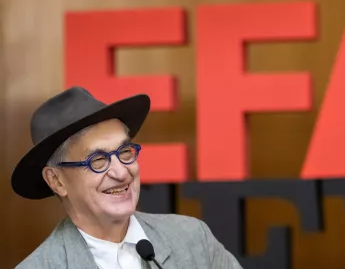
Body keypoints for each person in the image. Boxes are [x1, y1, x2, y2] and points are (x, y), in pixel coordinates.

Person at [11, 86, 243, 269]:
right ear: (56, 181)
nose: (121, 172)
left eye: (124, 152)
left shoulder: (192, 238)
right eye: (97, 160)